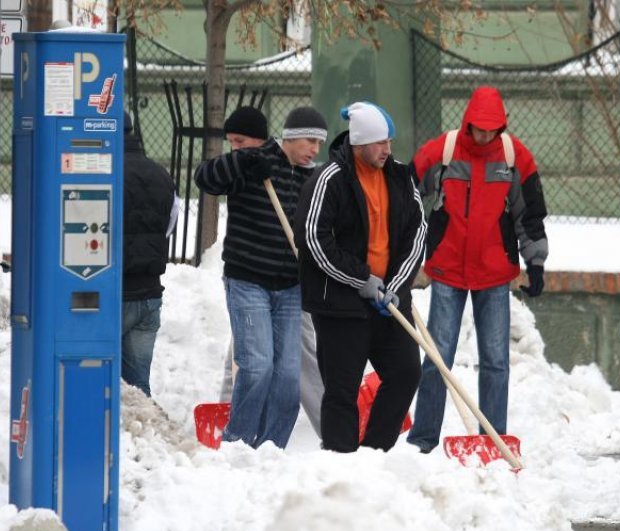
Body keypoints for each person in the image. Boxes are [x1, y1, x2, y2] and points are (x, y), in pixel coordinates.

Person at [406, 86, 548, 454]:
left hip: (495, 272)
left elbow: (529, 215)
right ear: (468, 122)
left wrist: (535, 262)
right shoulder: (442, 151)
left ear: (502, 127)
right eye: (479, 129)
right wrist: (406, 253)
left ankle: (492, 441)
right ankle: (423, 439)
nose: (485, 136)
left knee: (497, 361)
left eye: (492, 130)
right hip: (447, 268)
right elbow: (405, 198)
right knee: (439, 358)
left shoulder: (516, 158)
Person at [294, 102, 427, 453]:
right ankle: (340, 460)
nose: (387, 150)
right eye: (379, 143)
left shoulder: (400, 177)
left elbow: (417, 232)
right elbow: (312, 239)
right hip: (340, 305)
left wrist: (395, 287)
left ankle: (374, 454)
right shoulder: (329, 179)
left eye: (389, 142)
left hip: (389, 303)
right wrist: (361, 280)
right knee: (342, 391)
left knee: (405, 373)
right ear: (358, 143)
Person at [194, 105, 328, 448]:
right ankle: (239, 443)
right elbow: (205, 177)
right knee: (257, 366)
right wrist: (244, 160)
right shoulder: (255, 160)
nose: (314, 149)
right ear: (291, 138)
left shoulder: (314, 179)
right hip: (248, 280)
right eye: (310, 141)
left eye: (319, 143)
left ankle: (271, 447)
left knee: (286, 377)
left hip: (290, 286)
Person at [122, 111, 179, 397]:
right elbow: (169, 224)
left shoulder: (98, 172)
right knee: (137, 387)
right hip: (149, 294)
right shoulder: (161, 174)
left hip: (111, 296)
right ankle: (140, 436)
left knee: (97, 378)